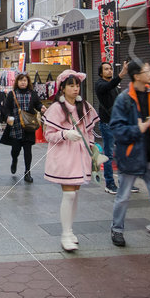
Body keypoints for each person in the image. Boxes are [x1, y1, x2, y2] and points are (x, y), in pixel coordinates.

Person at [108, 60, 150, 247]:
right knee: (123, 196)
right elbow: (116, 129)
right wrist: (137, 129)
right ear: (136, 76)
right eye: (147, 71)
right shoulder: (124, 99)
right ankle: (117, 229)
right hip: (131, 156)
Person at [43, 70, 100, 251]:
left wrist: (90, 145)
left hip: (81, 154)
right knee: (69, 194)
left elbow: (90, 131)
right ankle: (65, 234)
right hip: (64, 154)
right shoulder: (56, 108)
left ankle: (69, 230)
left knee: (74, 193)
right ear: (62, 88)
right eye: (71, 85)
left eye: (77, 85)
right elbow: (48, 134)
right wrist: (65, 134)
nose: (75, 89)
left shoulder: (85, 106)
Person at [1, 72, 42, 183]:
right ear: (17, 82)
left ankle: (27, 172)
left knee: (28, 151)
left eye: (25, 80)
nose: (23, 82)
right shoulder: (12, 94)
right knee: (15, 150)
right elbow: (6, 108)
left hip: (28, 126)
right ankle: (14, 160)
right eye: (21, 80)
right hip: (16, 127)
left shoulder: (32, 94)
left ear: (28, 82)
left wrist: (42, 107)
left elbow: (37, 104)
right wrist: (8, 116)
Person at [94, 62, 123, 194]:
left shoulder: (114, 86)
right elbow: (108, 85)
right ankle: (109, 183)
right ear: (101, 73)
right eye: (106, 69)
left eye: (110, 69)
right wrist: (121, 74)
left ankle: (125, 182)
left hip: (118, 123)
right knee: (109, 155)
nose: (109, 71)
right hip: (107, 124)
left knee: (122, 153)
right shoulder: (100, 84)